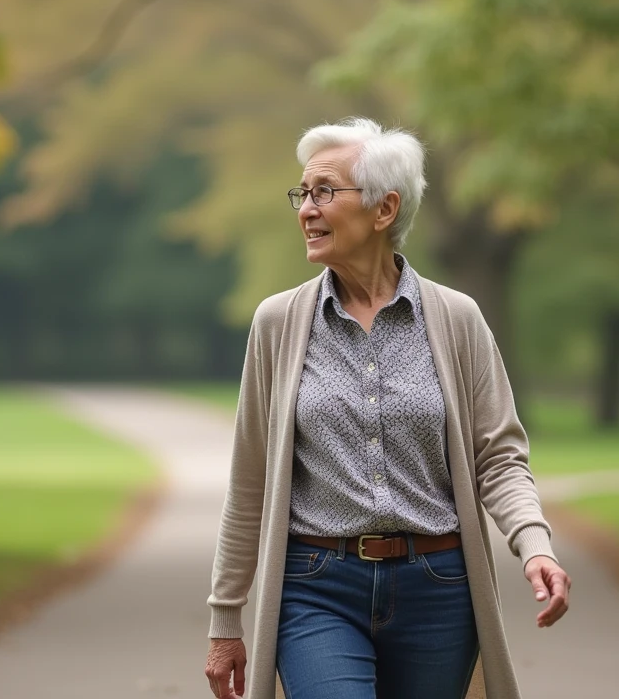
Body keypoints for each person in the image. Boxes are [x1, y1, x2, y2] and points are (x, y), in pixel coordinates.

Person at [204, 118, 571, 699]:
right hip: (317, 584)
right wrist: (226, 620)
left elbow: (498, 457)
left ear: (383, 210)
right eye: (303, 194)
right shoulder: (278, 324)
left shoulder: (457, 319)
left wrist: (535, 546)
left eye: (325, 191)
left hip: (439, 589)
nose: (306, 209)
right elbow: (249, 481)